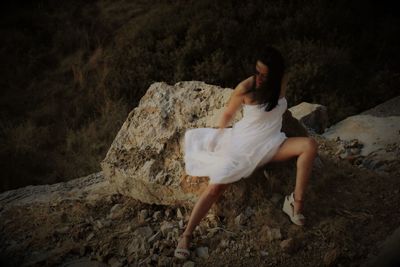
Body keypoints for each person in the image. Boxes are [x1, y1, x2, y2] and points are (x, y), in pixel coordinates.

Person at [174, 46, 318, 260]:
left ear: (276, 75)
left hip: (272, 143)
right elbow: (228, 114)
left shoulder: (281, 82)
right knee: (215, 187)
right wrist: (216, 137)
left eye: (264, 75)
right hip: (242, 146)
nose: (259, 78)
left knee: (310, 145)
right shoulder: (246, 88)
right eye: (257, 71)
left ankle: (294, 204)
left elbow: (276, 109)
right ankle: (186, 235)